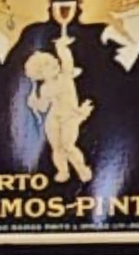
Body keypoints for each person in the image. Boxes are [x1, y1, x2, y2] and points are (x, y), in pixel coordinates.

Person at [24, 36, 95, 184]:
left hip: (70, 116)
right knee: (57, 147)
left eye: (54, 61)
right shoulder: (44, 88)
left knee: (68, 146)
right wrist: (34, 104)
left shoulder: (65, 77)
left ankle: (82, 169)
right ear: (40, 73)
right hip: (53, 118)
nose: (55, 63)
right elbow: (44, 107)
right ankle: (63, 171)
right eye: (48, 65)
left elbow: (67, 61)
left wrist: (61, 47)